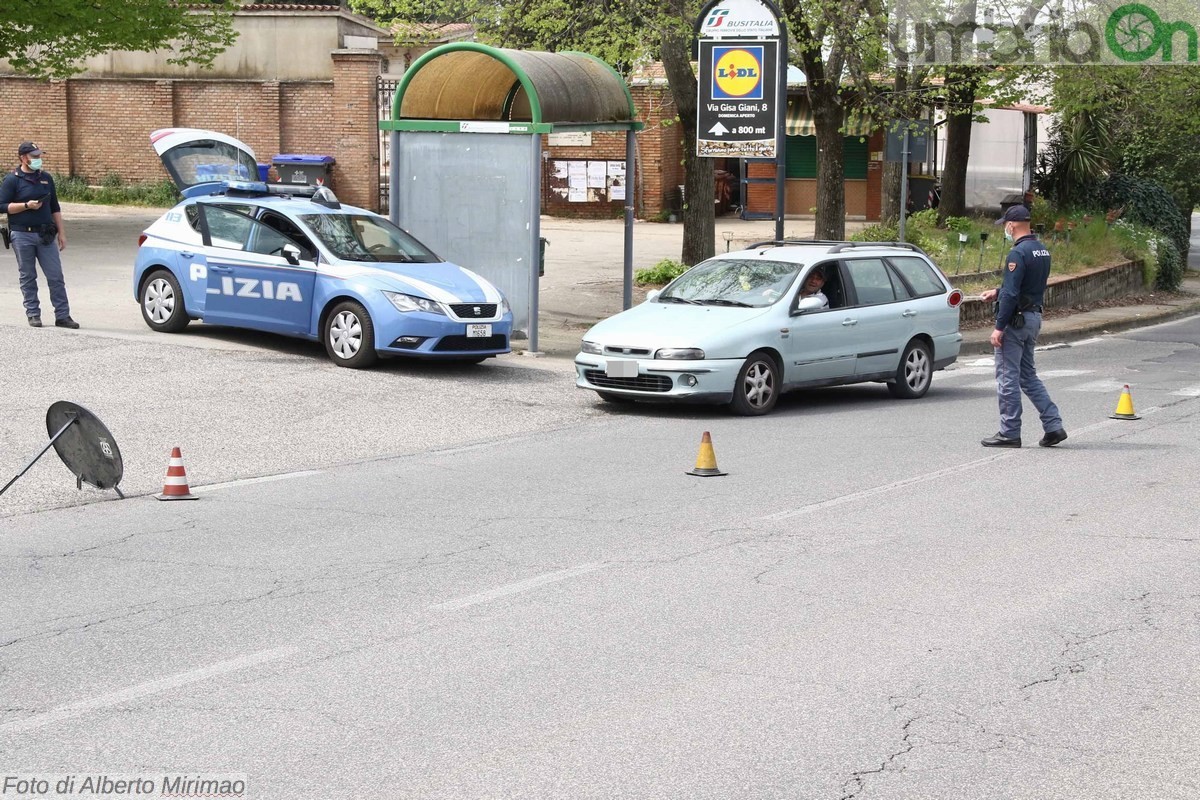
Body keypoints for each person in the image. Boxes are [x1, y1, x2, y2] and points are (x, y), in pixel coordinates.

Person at [979, 204, 1066, 448]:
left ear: (1011, 225)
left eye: (1005, 225)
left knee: (1007, 377)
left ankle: (1009, 432)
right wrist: (997, 292)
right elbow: (1028, 287)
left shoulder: (1017, 253)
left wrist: (998, 326)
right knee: (1028, 377)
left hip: (1015, 323)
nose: (1004, 230)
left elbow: (1013, 293)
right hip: (1033, 318)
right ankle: (1053, 426)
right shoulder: (1041, 250)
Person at [0, 141, 78, 328]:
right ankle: (33, 314)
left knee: (55, 276)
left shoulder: (46, 178)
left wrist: (62, 233)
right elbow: (2, 206)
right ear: (23, 158)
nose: (38, 159)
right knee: (28, 276)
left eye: (39, 156)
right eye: (34, 156)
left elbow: (55, 207)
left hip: (45, 235)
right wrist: (26, 205)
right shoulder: (12, 180)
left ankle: (63, 316)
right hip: (22, 235)